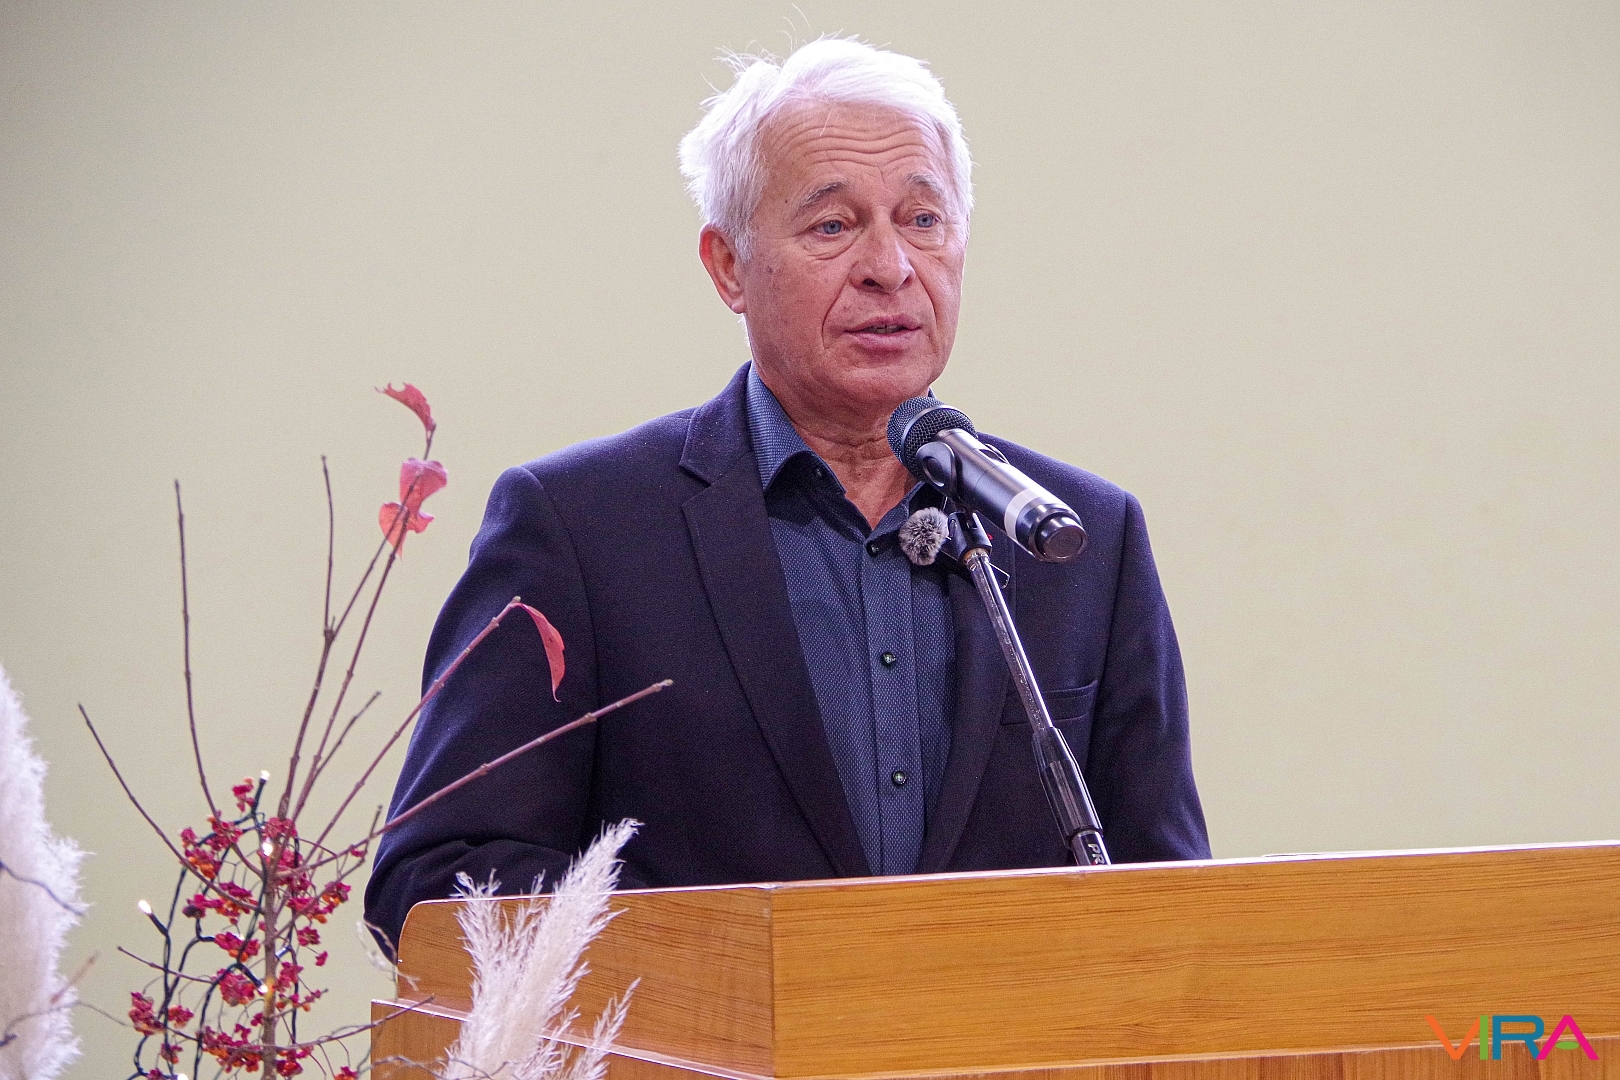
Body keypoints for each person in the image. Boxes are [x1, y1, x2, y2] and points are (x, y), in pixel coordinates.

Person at [365, 38, 1209, 954]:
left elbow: (1172, 903)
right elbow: (438, 880)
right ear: (728, 265)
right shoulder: (582, 530)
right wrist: (730, 963)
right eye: (833, 226)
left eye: (924, 219)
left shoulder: (1076, 540)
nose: (891, 266)